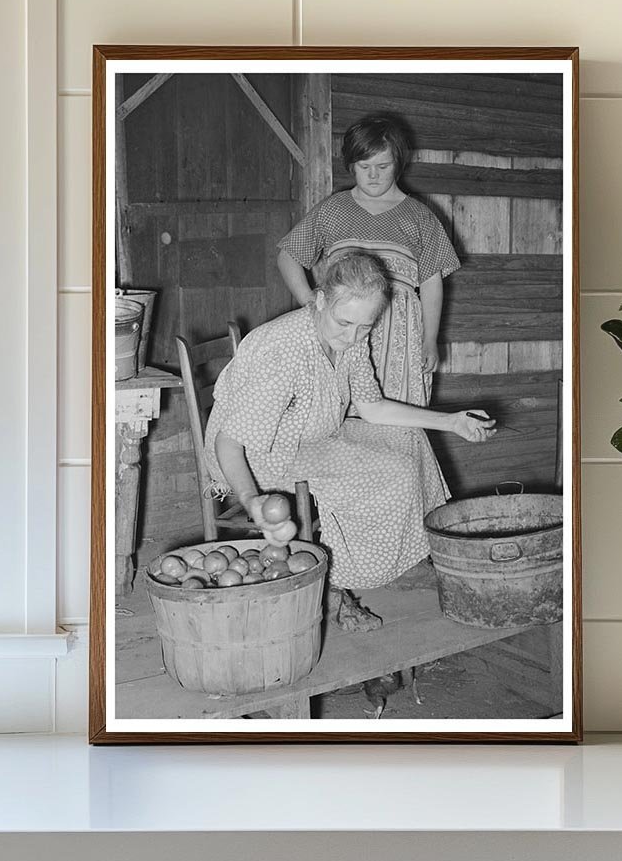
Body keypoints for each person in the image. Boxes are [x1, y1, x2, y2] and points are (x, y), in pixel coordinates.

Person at [204, 252, 495, 632]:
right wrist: (250, 499)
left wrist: (451, 422)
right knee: (372, 479)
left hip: (310, 432)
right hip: (258, 453)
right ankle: (333, 586)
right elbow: (230, 444)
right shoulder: (283, 350)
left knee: (410, 442)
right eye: (344, 323)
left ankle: (406, 556)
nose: (353, 336)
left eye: (365, 325)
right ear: (320, 300)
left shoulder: (352, 337)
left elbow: (371, 407)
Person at [277, 114, 460, 408]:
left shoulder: (420, 216)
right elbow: (288, 257)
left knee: (397, 415)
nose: (373, 175)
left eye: (382, 166)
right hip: (341, 332)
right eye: (364, 167)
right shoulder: (334, 209)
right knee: (336, 411)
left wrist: (430, 339)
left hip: (399, 339)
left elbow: (431, 284)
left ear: (398, 164)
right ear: (351, 166)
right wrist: (310, 303)